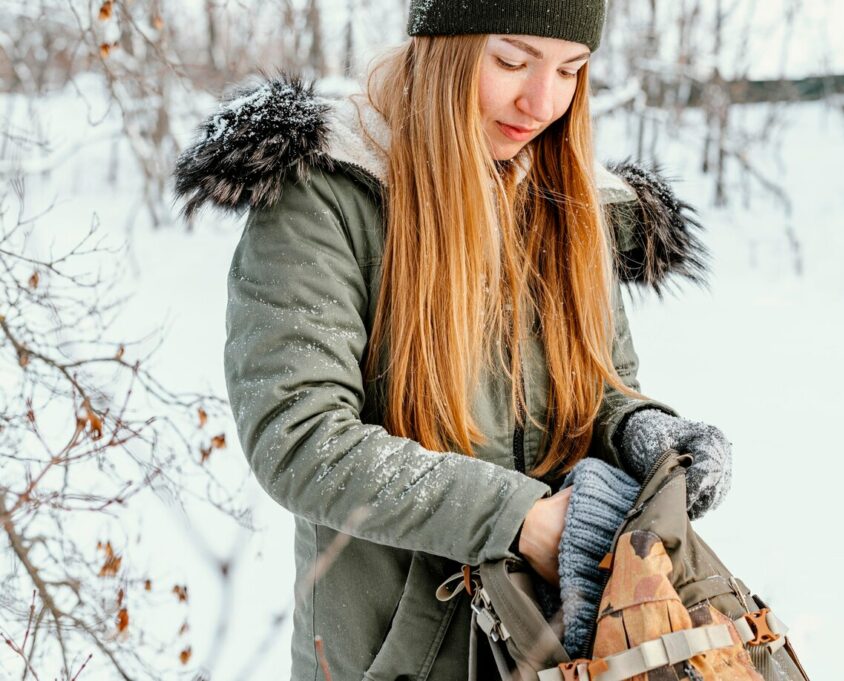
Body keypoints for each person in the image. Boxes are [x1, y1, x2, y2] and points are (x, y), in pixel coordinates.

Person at [174, 1, 734, 679]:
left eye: (571, 70)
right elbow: (300, 438)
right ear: (443, 42)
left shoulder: (577, 205)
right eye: (511, 61)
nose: (542, 100)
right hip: (397, 659)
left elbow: (602, 388)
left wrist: (646, 433)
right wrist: (518, 517)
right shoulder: (325, 195)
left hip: (558, 651)